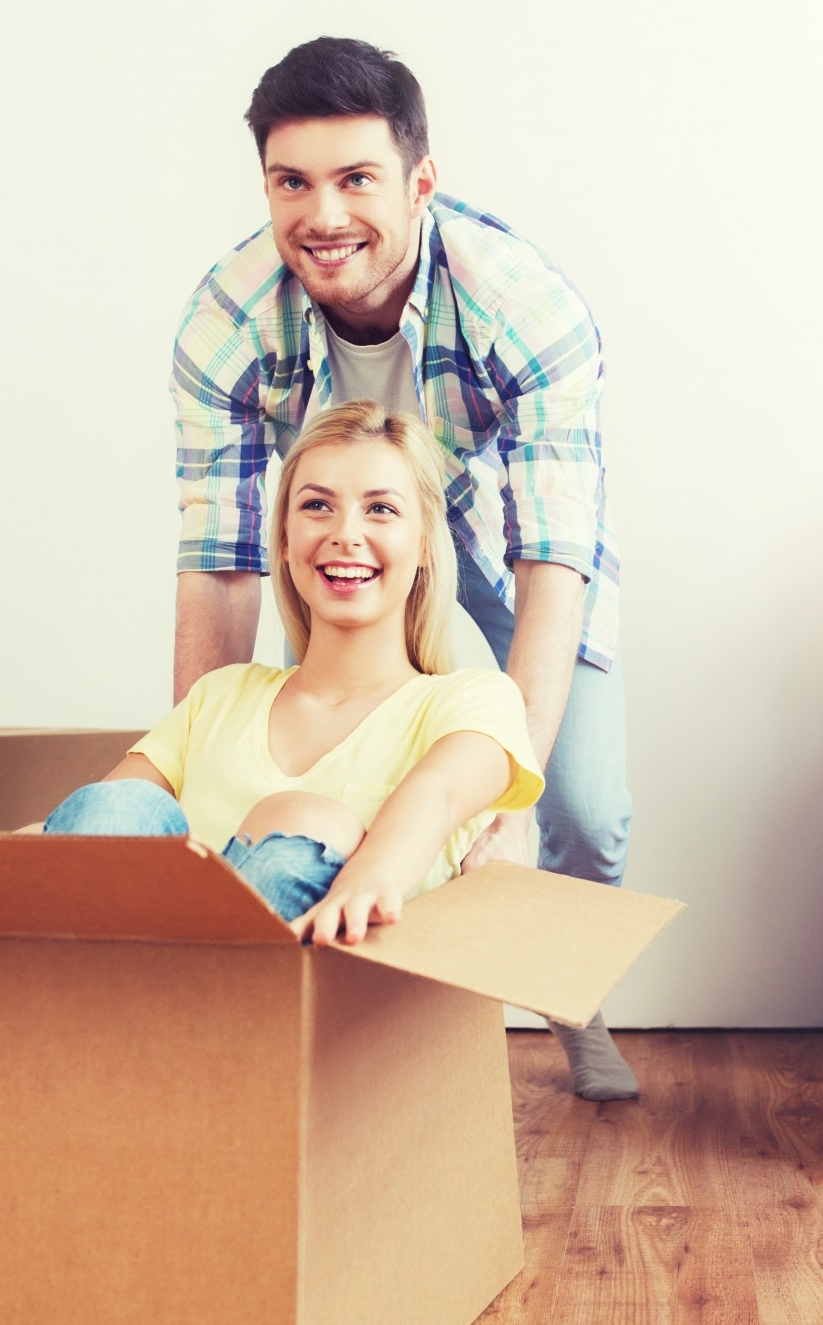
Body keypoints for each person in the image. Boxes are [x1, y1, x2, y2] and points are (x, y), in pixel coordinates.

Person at [167, 38, 638, 1099]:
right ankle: (361, 1029)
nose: (322, 215)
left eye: (355, 179)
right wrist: (203, 777)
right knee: (335, 783)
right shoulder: (225, 320)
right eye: (292, 182)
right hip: (347, 544)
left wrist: (507, 806)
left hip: (502, 533)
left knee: (584, 804)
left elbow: (550, 555)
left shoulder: (526, 303)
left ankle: (570, 994)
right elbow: (221, 559)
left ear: (420, 182)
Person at [45, 402, 543, 947]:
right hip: (134, 962)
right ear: (284, 542)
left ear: (423, 543)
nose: (346, 534)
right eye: (317, 506)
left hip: (317, 1002)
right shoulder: (220, 696)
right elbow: (91, 827)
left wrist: (371, 874)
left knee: (305, 822)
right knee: (117, 806)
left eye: (380, 509)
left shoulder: (472, 701)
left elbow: (440, 794)